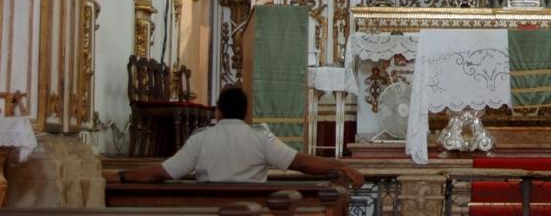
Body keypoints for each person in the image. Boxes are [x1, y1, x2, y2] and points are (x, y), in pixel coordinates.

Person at [104, 87, 364, 188]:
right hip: (255, 210)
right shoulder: (261, 138)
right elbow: (302, 163)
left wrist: (122, 175)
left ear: (218, 110)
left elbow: (164, 172)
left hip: (209, 211)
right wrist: (340, 165)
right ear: (245, 113)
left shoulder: (200, 139)